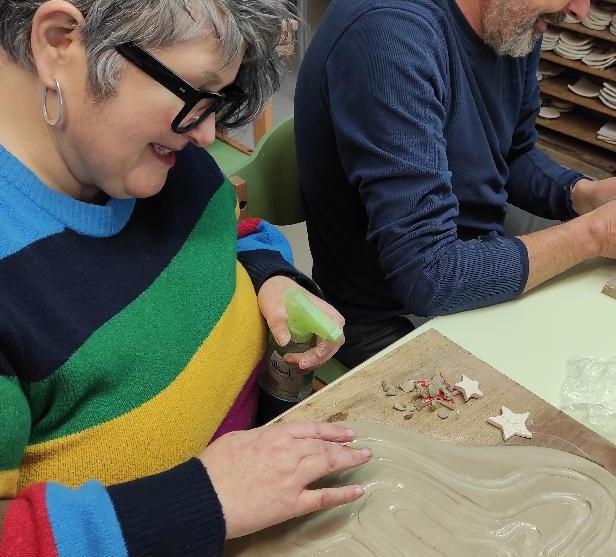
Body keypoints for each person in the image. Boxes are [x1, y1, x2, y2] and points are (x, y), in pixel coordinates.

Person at [0, 1, 371, 555]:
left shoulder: (148, 155)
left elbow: (235, 230)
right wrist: (204, 500)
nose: (207, 135)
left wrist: (270, 277)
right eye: (195, 93)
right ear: (59, 41)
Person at [294, 0, 616, 368]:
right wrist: (599, 232)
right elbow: (430, 278)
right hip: (390, 312)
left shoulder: (512, 23)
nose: (580, 11)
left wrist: (582, 194)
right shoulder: (389, 35)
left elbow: (513, 153)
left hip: (471, 255)